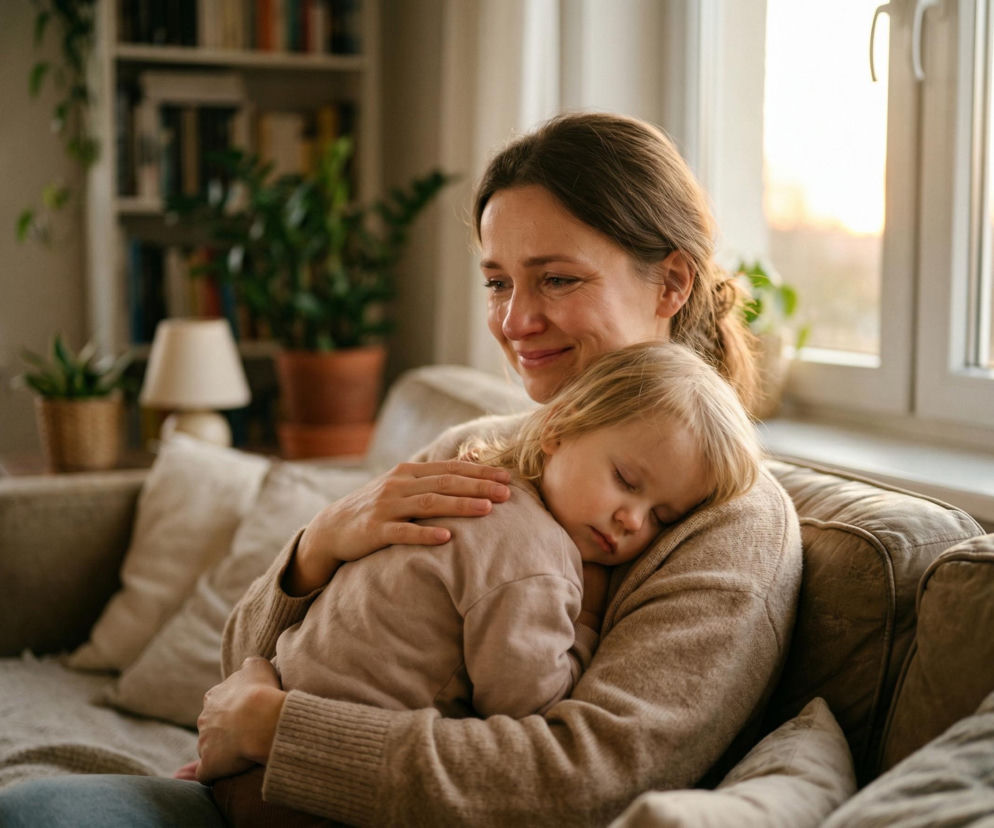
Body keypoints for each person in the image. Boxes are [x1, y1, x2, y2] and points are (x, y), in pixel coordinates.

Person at [0, 111, 802, 828]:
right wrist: (320, 545)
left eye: (556, 278)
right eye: (497, 282)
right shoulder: (484, 448)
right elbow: (239, 672)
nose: (515, 321)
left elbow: (582, 781)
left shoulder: (732, 523)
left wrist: (282, 732)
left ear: (670, 281)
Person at [208, 341, 761, 827]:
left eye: (663, 517)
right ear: (557, 428)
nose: (633, 520)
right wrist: (587, 621)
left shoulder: (475, 481)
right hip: (314, 800)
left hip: (257, 768)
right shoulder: (536, 562)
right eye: (626, 481)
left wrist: (263, 726)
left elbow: (565, 776)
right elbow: (527, 705)